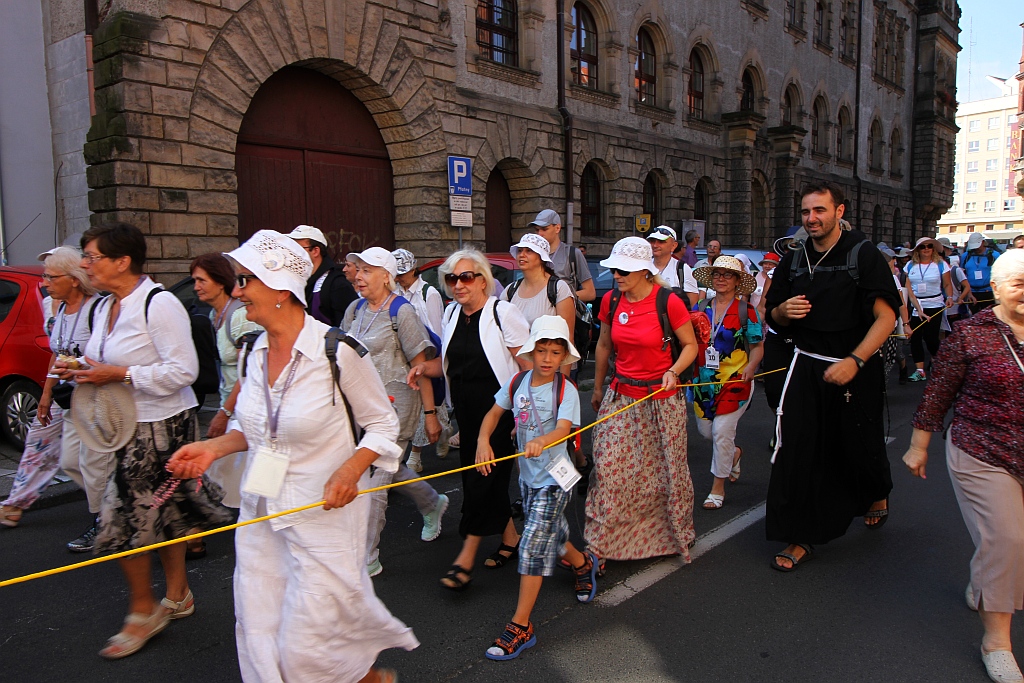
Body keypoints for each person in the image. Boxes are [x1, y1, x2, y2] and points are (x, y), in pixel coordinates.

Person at [168, 230, 415, 683]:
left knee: (309, 643)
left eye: (245, 281)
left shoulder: (336, 351)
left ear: (281, 289)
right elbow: (255, 429)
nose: (237, 291)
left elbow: (383, 425)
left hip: (323, 516)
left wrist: (350, 468)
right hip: (260, 514)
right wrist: (211, 447)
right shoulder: (251, 351)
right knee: (259, 632)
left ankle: (365, 678)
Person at [58, 223, 231, 659]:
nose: (84, 264)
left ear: (122, 262)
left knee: (125, 523)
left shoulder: (160, 304)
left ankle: (142, 611)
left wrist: (119, 374)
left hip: (161, 428)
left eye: (92, 256)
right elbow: (110, 360)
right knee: (165, 514)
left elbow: (184, 372)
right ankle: (178, 594)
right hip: (121, 427)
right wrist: (82, 367)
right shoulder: (103, 307)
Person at [764, 182, 901, 571]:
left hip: (856, 364)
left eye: (820, 210)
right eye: (806, 212)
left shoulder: (862, 253)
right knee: (799, 448)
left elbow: (886, 317)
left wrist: (855, 360)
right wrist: (782, 311)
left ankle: (876, 491)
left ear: (839, 211)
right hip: (806, 365)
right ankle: (800, 534)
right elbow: (771, 313)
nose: (812, 219)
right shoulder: (794, 258)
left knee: (859, 444)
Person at [902, 249, 1024, 683]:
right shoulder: (973, 333)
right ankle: (997, 642)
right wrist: (918, 446)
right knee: (1008, 538)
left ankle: (985, 576)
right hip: (982, 448)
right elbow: (938, 392)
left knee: (1005, 546)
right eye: (1018, 283)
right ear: (995, 288)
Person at [406, 250, 531, 590]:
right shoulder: (451, 314)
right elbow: (447, 366)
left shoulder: (503, 313)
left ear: (482, 280)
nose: (458, 284)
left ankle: (466, 556)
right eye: (451, 278)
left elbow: (528, 369)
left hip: (499, 414)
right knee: (481, 480)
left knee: (482, 482)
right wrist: (422, 368)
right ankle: (511, 539)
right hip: (467, 415)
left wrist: (527, 415)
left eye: (466, 277)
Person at [478, 316, 597, 661]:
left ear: (564, 357)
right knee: (552, 535)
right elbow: (493, 414)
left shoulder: (567, 390)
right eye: (541, 350)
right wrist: (483, 441)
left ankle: (521, 626)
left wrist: (543, 440)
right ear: (531, 351)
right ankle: (582, 563)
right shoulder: (517, 382)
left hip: (555, 479)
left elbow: (563, 428)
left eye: (554, 352)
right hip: (528, 476)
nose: (546, 358)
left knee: (532, 545)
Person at [586, 237, 699, 564]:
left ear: (644, 272)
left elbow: (689, 345)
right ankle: (601, 546)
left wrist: (674, 371)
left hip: (662, 400)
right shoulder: (610, 300)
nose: (616, 275)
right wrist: (597, 388)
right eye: (614, 269)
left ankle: (670, 537)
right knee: (608, 467)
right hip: (621, 397)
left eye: (624, 270)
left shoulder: (668, 301)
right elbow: (605, 345)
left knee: (666, 473)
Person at [341, 247, 448, 576]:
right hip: (362, 407)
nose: (358, 275)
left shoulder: (402, 313)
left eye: (367, 270)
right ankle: (432, 502)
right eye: (358, 269)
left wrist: (430, 414)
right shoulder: (354, 310)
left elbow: (422, 367)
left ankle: (367, 556)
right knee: (385, 467)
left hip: (397, 409)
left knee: (377, 482)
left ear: (386, 277)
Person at [1, 247, 104, 535]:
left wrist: (81, 368)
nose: (44, 282)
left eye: (50, 276)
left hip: (92, 396)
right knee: (69, 460)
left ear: (73, 278)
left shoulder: (96, 309)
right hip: (64, 396)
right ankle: (111, 504)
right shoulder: (57, 309)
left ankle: (107, 513)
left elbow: (107, 356)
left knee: (91, 462)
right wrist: (46, 393)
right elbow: (56, 354)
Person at [188, 253, 263, 557]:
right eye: (194, 281)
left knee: (220, 471)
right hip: (230, 405)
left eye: (201, 280)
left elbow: (249, 370)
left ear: (220, 282)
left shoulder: (238, 317)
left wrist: (225, 412)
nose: (195, 287)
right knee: (221, 472)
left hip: (243, 410)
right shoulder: (213, 316)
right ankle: (196, 533)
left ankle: (195, 533)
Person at [690, 256, 764, 509]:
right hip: (703, 384)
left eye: (727, 275)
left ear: (736, 282)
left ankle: (717, 489)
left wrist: (751, 368)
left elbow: (757, 347)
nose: (721, 279)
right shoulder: (701, 307)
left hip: (736, 380)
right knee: (707, 432)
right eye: (717, 274)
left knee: (722, 433)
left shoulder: (746, 310)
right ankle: (733, 455)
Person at [393, 248, 450, 469]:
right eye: (396, 274)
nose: (400, 278)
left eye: (403, 273)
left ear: (414, 270)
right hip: (403, 356)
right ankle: (439, 435)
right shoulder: (396, 292)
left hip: (425, 354)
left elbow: (437, 331)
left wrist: (433, 362)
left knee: (431, 404)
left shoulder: (429, 294)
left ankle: (415, 455)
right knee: (415, 406)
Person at [501, 233, 575, 336]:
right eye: (519, 250)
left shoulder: (558, 289)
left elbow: (567, 338)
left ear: (541, 257)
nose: (522, 255)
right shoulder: (510, 290)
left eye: (529, 251)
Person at [904, 237, 955, 382]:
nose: (926, 249)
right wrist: (917, 306)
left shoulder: (940, 264)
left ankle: (937, 360)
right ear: (917, 250)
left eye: (929, 246)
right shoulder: (909, 265)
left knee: (931, 338)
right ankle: (920, 370)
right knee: (915, 337)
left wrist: (949, 297)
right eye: (922, 247)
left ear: (933, 249)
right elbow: (908, 288)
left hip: (935, 304)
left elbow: (947, 284)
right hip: (916, 304)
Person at [288, 224, 357, 325]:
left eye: (298, 248)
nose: (292, 254)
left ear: (315, 251)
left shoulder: (337, 285)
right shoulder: (296, 281)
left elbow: (349, 327)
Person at [530, 209, 595, 303]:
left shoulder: (572, 254)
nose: (540, 234)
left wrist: (560, 299)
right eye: (537, 230)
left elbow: (590, 293)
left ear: (557, 228)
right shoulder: (533, 255)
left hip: (563, 315)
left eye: (544, 229)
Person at [647, 225, 698, 307]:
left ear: (673, 245)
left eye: (661, 241)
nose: (655, 245)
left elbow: (692, 303)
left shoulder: (683, 269)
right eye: (652, 241)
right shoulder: (643, 268)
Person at [963, 232, 1000, 314]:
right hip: (971, 293)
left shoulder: (994, 255)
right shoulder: (966, 256)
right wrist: (968, 293)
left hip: (988, 292)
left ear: (983, 242)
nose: (975, 249)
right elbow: (963, 274)